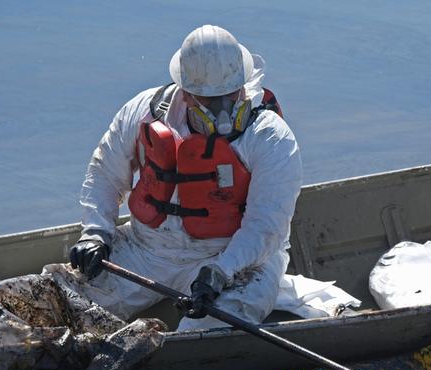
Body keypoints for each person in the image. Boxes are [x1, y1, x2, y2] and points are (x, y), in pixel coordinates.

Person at [65, 25, 303, 331]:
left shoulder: (270, 137)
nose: (223, 111)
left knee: (203, 335)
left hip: (236, 259)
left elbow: (267, 226)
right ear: (186, 93)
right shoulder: (143, 112)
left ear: (242, 85)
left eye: (230, 95)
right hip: (147, 250)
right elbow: (104, 173)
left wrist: (220, 272)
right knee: (63, 304)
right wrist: (96, 234)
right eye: (208, 99)